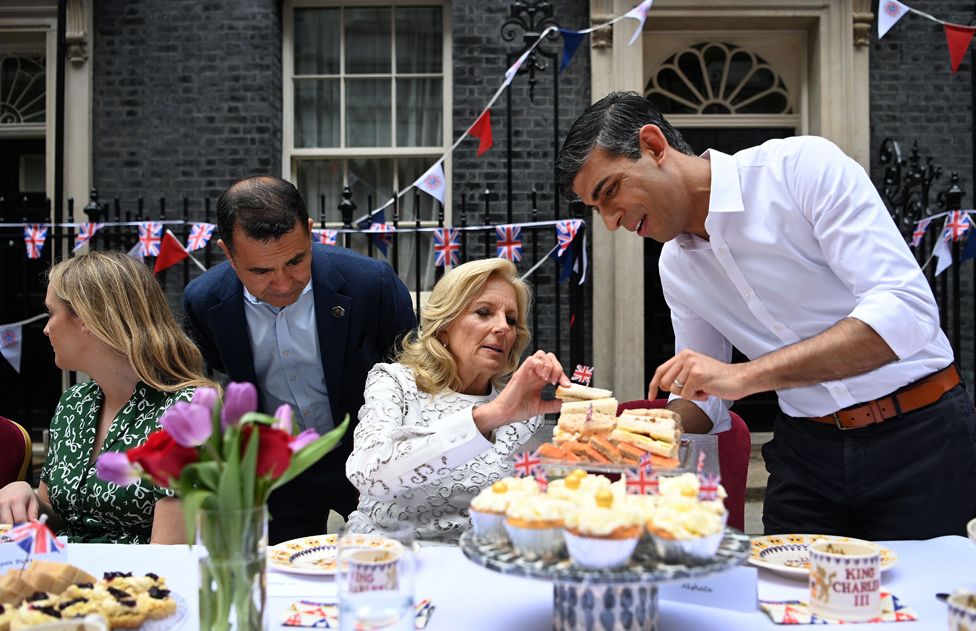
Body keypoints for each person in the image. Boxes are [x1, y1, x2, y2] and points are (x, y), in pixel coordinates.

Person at [555, 91, 976, 541]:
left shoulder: (801, 169)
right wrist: (636, 436)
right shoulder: (675, 266)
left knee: (924, 605)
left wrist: (744, 376)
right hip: (807, 454)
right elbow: (703, 396)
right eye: (596, 209)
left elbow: (905, 311)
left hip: (923, 435)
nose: (611, 223)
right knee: (779, 598)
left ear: (654, 146)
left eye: (609, 192)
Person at [183, 175, 416, 544]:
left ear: (309, 232)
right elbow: (219, 372)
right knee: (279, 574)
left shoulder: (370, 284)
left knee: (386, 561)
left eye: (295, 261)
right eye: (260, 271)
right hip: (276, 469)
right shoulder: (204, 302)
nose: (282, 283)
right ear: (228, 253)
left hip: (367, 458)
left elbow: (413, 374)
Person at [345, 258, 570, 543]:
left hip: (476, 568)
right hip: (386, 561)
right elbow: (369, 476)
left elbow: (529, 507)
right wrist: (487, 417)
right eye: (484, 312)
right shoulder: (394, 383)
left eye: (511, 320)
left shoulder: (523, 412)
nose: (502, 328)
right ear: (444, 326)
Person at [0, 251, 216, 543]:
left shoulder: (186, 410)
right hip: (57, 575)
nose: (47, 329)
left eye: (52, 313)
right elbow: (59, 513)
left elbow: (167, 556)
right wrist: (26, 496)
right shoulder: (74, 403)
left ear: (89, 319)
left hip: (133, 582)